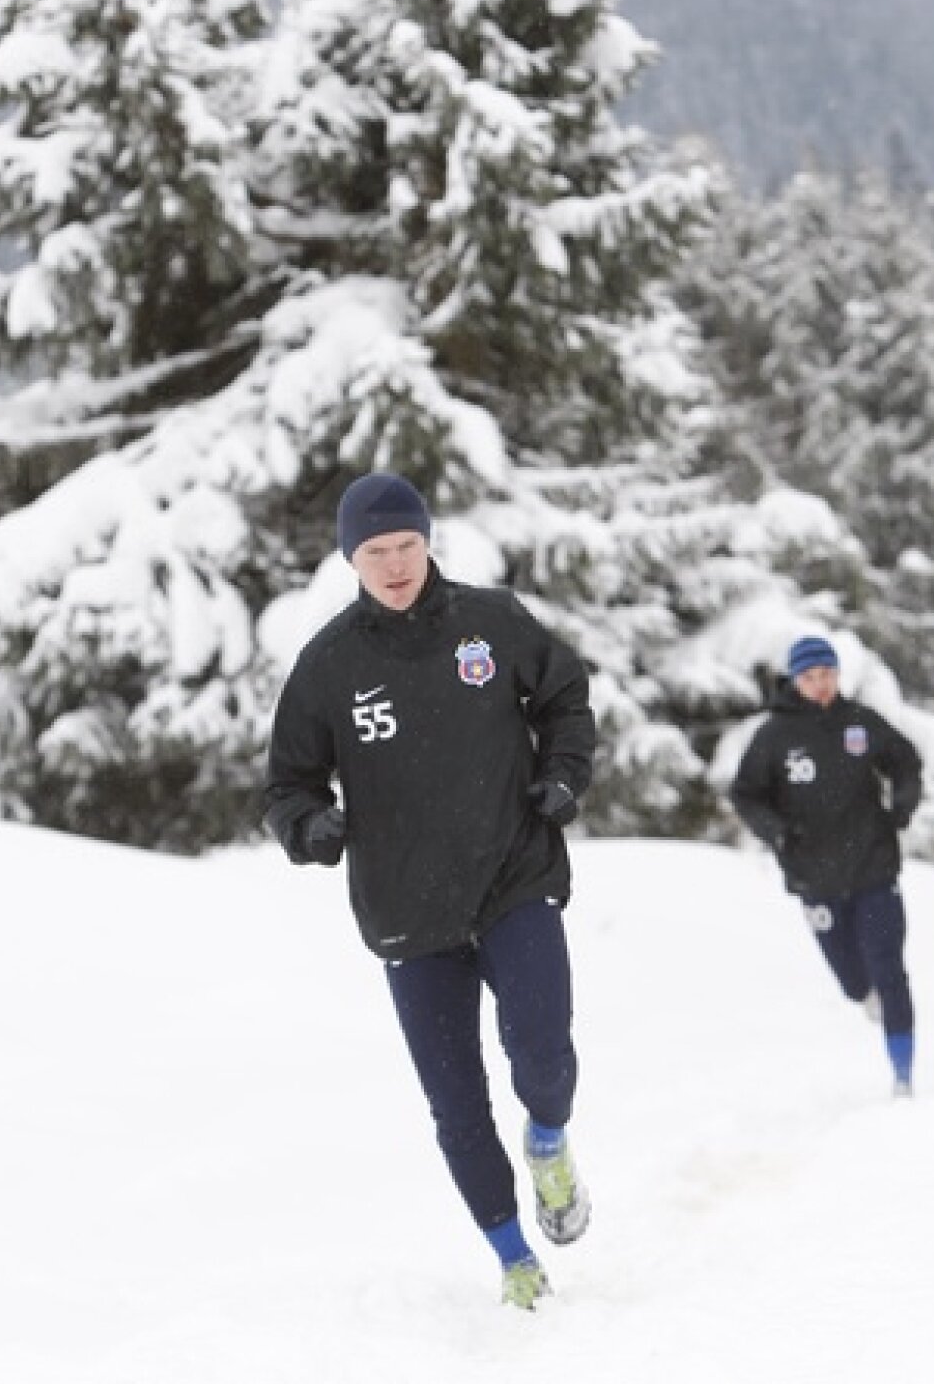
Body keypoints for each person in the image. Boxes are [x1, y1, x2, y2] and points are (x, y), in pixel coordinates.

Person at [264, 472, 597, 1309]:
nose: (395, 564)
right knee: (456, 1103)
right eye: (375, 552)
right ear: (351, 559)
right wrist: (311, 828)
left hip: (514, 876)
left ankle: (550, 1142)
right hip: (409, 914)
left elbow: (564, 697)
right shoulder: (330, 663)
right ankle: (516, 1259)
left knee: (544, 1052)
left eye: (406, 545)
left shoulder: (491, 621)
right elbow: (287, 785)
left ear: (427, 540)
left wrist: (562, 774)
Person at [730, 634, 923, 1096]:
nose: (821, 685)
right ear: (796, 681)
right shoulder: (774, 735)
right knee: (853, 980)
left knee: (889, 967)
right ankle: (863, 995)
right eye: (811, 677)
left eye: (828, 675)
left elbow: (906, 762)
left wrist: (901, 806)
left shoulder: (860, 722)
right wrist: (775, 830)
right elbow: (745, 794)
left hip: (874, 866)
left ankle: (903, 1074)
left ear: (838, 675)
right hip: (813, 875)